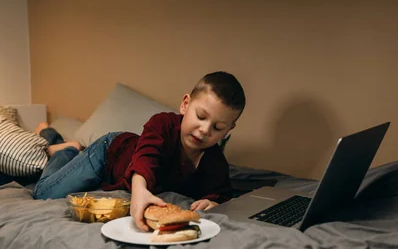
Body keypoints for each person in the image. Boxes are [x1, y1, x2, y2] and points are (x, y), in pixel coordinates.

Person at [33, 71, 245, 231]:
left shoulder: (215, 159)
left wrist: (213, 201)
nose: (205, 130)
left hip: (119, 174)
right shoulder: (162, 124)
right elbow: (145, 159)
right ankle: (64, 148)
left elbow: (222, 192)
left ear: (228, 130)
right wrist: (140, 190)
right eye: (200, 116)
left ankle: (66, 148)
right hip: (108, 155)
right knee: (44, 194)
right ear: (185, 105)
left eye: (218, 128)